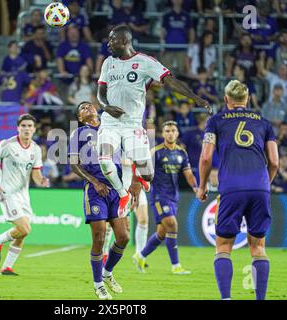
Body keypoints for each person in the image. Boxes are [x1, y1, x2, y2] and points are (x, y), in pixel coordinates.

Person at [97, 25, 210, 216]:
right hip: (110, 122)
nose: (108, 44)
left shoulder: (145, 62)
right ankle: (122, 194)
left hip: (132, 124)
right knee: (104, 158)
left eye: (112, 40)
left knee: (148, 175)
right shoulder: (108, 63)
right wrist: (105, 107)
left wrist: (195, 98)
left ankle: (141, 178)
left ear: (124, 41)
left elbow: (171, 81)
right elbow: (100, 94)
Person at [197, 80, 279, 300]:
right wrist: (264, 185)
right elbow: (274, 161)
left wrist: (203, 185)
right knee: (258, 247)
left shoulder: (216, 121)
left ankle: (226, 298)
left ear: (226, 100)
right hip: (260, 187)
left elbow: (205, 157)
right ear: (248, 98)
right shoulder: (264, 122)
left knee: (223, 245)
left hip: (231, 188)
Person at [69, 101, 131, 300]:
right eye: (83, 108)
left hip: (116, 188)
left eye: (89, 105)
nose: (88, 108)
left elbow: (127, 154)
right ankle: (98, 285)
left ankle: (107, 273)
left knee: (123, 237)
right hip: (96, 191)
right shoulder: (77, 134)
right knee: (99, 236)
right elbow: (73, 163)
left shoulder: (111, 128)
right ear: (80, 118)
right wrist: (94, 181)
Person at [0, 114, 49, 276]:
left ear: (34, 129)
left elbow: (35, 173)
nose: (26, 129)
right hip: (6, 193)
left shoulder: (35, 149)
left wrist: (41, 180)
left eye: (30, 126)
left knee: (22, 233)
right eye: (23, 126)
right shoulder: (8, 145)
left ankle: (7, 267)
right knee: (24, 228)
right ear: (18, 128)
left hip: (23, 195)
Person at [133, 120, 197, 274]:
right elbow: (142, 171)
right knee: (172, 224)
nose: (170, 133)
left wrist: (196, 187)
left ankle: (140, 256)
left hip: (173, 196)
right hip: (159, 196)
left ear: (177, 133)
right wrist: (136, 190)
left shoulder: (182, 153)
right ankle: (176, 266)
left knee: (162, 232)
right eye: (167, 131)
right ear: (163, 134)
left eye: (173, 130)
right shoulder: (156, 152)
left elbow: (188, 173)